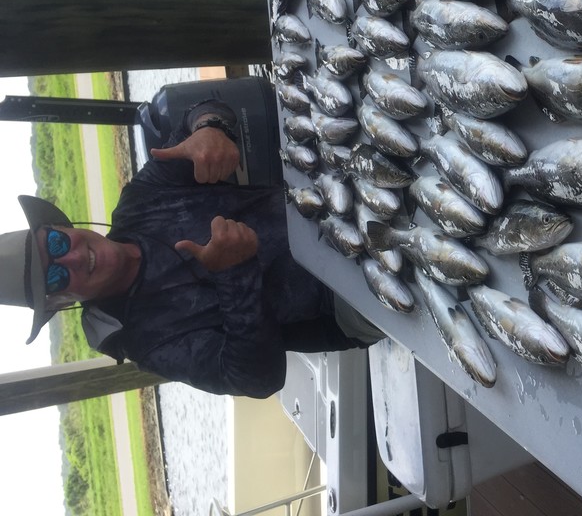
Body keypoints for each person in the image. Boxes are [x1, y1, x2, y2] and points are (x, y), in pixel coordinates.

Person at [0, 97, 382, 398]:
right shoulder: (148, 340)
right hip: (345, 299)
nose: (71, 257)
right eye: (56, 275)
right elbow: (256, 379)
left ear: (61, 226)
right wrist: (235, 274)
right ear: (60, 301)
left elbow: (201, 112)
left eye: (55, 243)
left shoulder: (140, 201)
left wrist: (208, 128)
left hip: (326, 204)